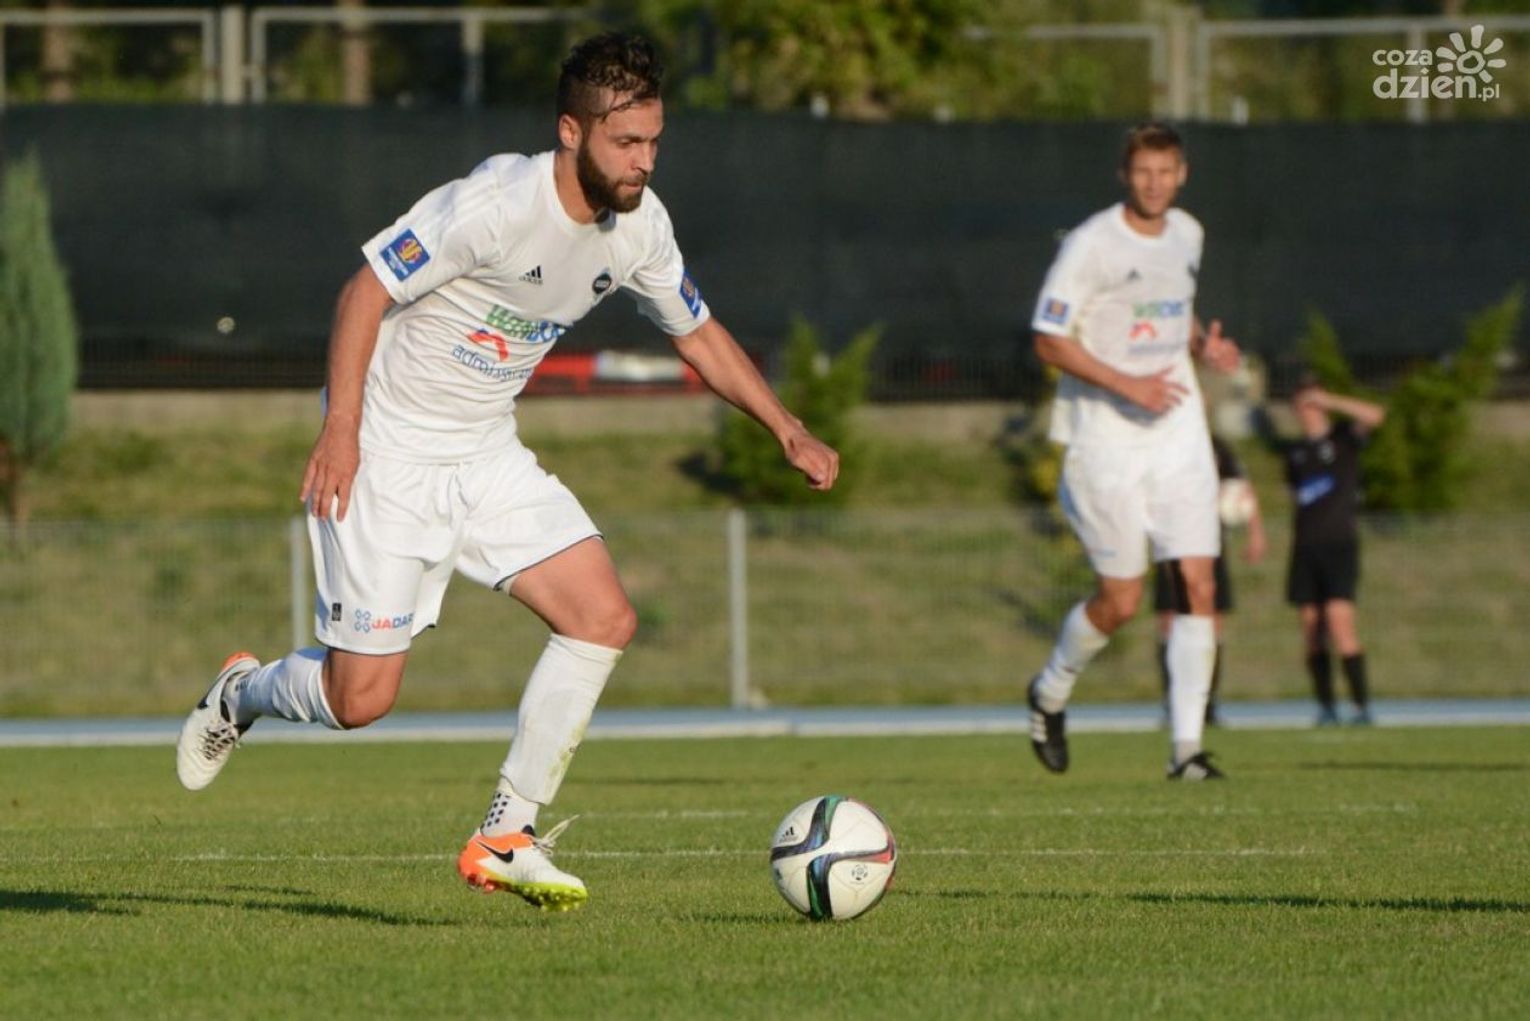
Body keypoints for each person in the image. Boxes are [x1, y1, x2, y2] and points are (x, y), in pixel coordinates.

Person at [175, 33, 838, 911]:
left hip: (485, 450)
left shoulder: (642, 227)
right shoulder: (493, 204)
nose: (644, 162)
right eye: (625, 142)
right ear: (571, 131)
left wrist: (787, 428)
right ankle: (243, 691)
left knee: (603, 616)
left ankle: (506, 832)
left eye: (653, 141)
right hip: (389, 454)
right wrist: (342, 430)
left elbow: (697, 332)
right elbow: (363, 292)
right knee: (359, 699)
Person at [1026, 121, 1240, 781]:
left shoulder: (1188, 234)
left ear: (1182, 174)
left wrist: (1204, 346)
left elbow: (1174, 307)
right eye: (1143, 171)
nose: (1155, 183)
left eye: (1165, 171)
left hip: (1176, 429)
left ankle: (1186, 750)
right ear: (1125, 175)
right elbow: (1048, 338)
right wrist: (1128, 384)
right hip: (1105, 437)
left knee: (1198, 580)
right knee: (1121, 600)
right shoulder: (1091, 244)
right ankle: (1050, 691)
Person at [1284, 381, 1385, 726]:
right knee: (1312, 629)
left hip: (1339, 545)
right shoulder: (1296, 452)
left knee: (1340, 622)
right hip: (1305, 547)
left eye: (1313, 404)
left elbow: (1376, 415)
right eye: (1302, 405)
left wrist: (1331, 399)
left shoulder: (1343, 438)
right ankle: (1326, 706)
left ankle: (1360, 705)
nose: (1307, 411)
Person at [1152, 435, 1267, 726]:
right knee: (1170, 622)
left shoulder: (1217, 446)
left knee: (1211, 622)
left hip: (1209, 547)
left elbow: (1243, 488)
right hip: (1170, 545)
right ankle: (1172, 701)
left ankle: (1207, 703)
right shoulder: (1161, 442)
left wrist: (1255, 532)